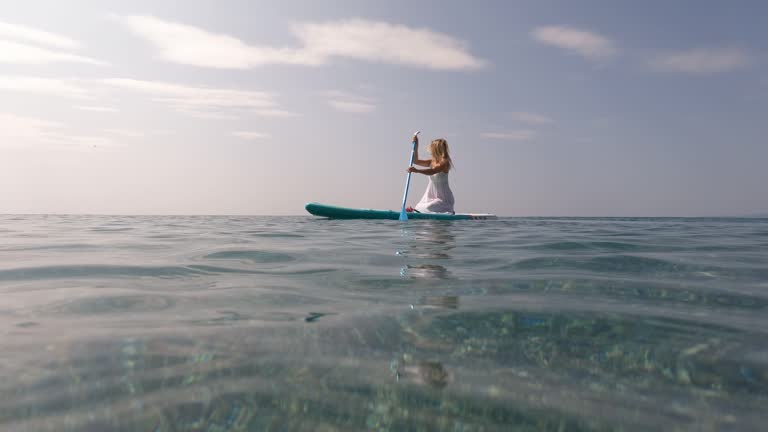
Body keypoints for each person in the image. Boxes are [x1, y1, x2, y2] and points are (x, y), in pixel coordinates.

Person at [406, 135, 455, 214]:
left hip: (443, 198)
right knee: (419, 207)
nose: (430, 151)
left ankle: (449, 210)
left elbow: (433, 171)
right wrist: (416, 144)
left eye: (432, 149)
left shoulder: (445, 162)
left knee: (428, 207)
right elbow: (415, 161)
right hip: (429, 196)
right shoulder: (431, 161)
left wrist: (417, 171)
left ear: (437, 150)